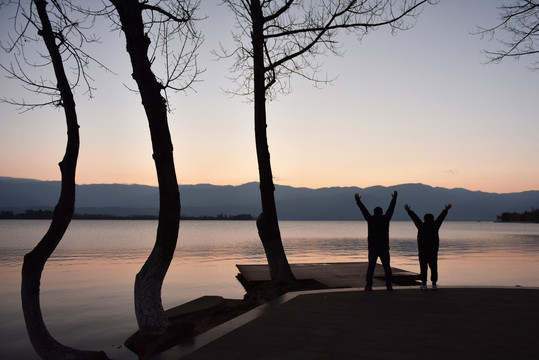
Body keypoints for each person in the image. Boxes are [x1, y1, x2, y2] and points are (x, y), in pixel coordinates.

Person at [354, 191, 398, 291]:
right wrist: (394, 199)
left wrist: (358, 201)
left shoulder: (371, 219)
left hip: (373, 247)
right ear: (382, 212)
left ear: (374, 212)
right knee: (387, 267)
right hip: (384, 247)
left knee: (371, 267)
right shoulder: (385, 219)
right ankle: (389, 285)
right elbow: (391, 209)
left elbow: (363, 211)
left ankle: (369, 285)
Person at [404, 203, 452, 290]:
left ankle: (424, 284)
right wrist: (446, 210)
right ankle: (434, 283)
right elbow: (441, 218)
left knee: (423, 267)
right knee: (433, 267)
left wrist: (409, 211)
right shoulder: (435, 225)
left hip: (423, 251)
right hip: (433, 251)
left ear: (424, 219)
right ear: (433, 219)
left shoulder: (421, 226)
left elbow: (415, 218)